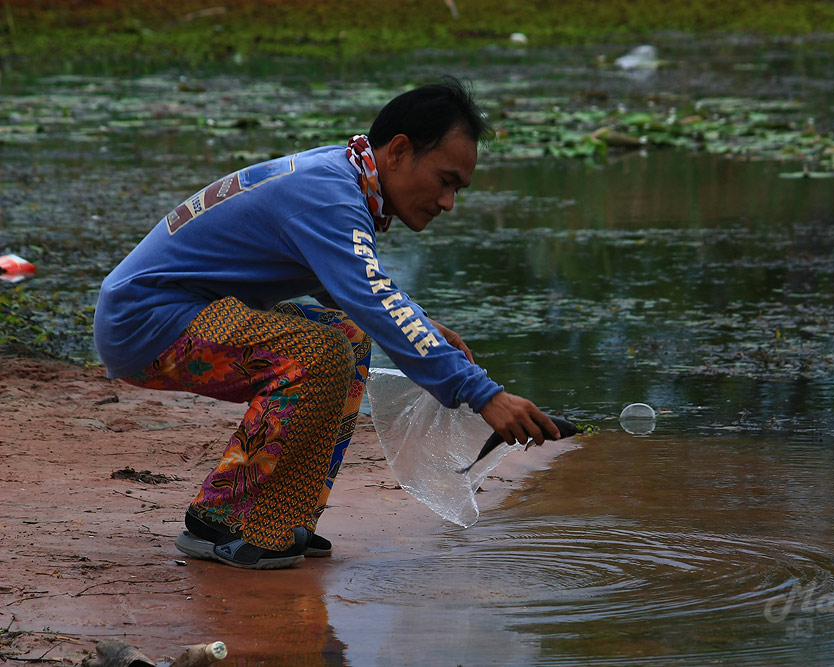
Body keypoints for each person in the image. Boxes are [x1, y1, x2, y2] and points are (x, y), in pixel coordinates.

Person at [93, 77, 561, 570]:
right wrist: (483, 394)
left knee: (347, 335)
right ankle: (228, 516)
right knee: (318, 353)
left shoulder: (341, 174)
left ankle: (275, 513)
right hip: (146, 322)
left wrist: (423, 324)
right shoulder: (330, 194)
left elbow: (350, 290)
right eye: (445, 181)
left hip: (177, 313)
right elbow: (370, 294)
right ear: (399, 151)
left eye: (457, 189)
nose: (448, 202)